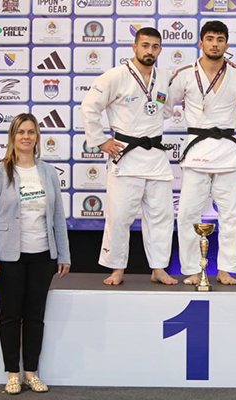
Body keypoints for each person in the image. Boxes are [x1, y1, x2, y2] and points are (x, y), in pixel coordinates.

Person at [0, 113, 71, 394]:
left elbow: (58, 216)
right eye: (21, 132)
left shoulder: (48, 172)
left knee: (35, 317)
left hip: (42, 256)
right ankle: (12, 373)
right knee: (10, 316)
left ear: (37, 137)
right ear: (13, 136)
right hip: (9, 257)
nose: (26, 137)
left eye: (31, 132)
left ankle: (31, 372)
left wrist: (64, 254)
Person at [81, 27, 177, 286]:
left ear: (160, 50)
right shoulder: (115, 76)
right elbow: (89, 107)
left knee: (161, 217)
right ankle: (117, 269)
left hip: (155, 157)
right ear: (134, 47)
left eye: (155, 46)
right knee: (119, 217)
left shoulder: (165, 77)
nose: (149, 51)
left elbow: (169, 107)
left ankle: (158, 268)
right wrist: (101, 140)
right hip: (126, 156)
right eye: (145, 45)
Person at [168, 20, 236, 285]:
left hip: (226, 152)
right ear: (201, 43)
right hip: (197, 152)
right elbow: (165, 106)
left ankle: (226, 268)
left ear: (227, 44)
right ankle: (193, 268)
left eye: (220, 39)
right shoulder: (184, 75)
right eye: (210, 39)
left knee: (232, 214)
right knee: (187, 214)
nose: (215, 44)